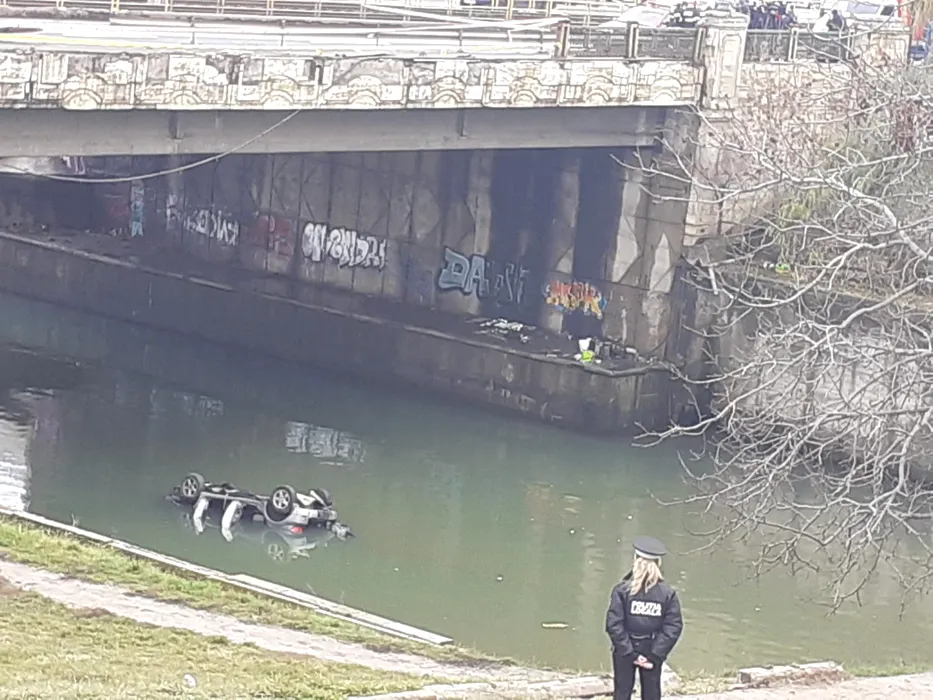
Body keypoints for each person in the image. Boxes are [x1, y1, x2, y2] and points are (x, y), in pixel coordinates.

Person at [605, 536, 684, 700]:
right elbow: (673, 627)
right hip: (652, 648)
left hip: (624, 650)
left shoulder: (622, 591)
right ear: (658, 564)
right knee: (651, 693)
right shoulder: (667, 594)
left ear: (635, 560)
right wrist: (655, 654)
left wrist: (629, 653)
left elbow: (614, 625)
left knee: (622, 692)